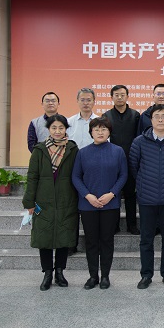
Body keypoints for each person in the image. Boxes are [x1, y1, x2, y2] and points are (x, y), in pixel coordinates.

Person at [130, 104, 164, 290]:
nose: (160, 119)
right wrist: (143, 186)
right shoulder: (139, 142)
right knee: (146, 239)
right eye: (157, 116)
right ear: (151, 120)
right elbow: (134, 168)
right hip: (147, 199)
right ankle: (146, 275)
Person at [22, 114, 79, 291]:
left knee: (64, 237)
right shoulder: (39, 150)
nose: (57, 131)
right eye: (54, 128)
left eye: (61, 128)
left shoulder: (72, 149)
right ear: (48, 129)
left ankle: (60, 272)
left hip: (66, 200)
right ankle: (47, 273)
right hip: (44, 200)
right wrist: (29, 202)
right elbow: (32, 177)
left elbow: (77, 175)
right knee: (44, 237)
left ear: (66, 129)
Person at [72, 117, 128, 290]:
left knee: (107, 241)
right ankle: (92, 276)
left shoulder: (118, 151)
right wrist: (87, 195)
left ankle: (105, 276)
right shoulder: (83, 152)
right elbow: (76, 176)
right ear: (91, 133)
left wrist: (111, 194)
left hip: (110, 204)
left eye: (104, 129)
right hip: (88, 205)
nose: (100, 132)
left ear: (109, 132)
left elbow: (123, 175)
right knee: (91, 241)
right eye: (96, 129)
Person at [103, 84, 141, 235]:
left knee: (131, 194)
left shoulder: (135, 115)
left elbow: (138, 138)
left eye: (122, 95)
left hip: (131, 160)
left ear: (127, 96)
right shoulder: (106, 116)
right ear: (111, 97)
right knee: (114, 194)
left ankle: (132, 225)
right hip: (112, 161)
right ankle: (114, 225)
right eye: (116, 95)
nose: (119, 97)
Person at [67, 87, 98, 254]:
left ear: (94, 101)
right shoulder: (69, 122)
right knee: (72, 209)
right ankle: (71, 243)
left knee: (90, 210)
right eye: (83, 100)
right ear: (77, 101)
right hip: (73, 171)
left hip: (95, 173)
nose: (86, 103)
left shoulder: (101, 122)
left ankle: (91, 244)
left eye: (89, 100)